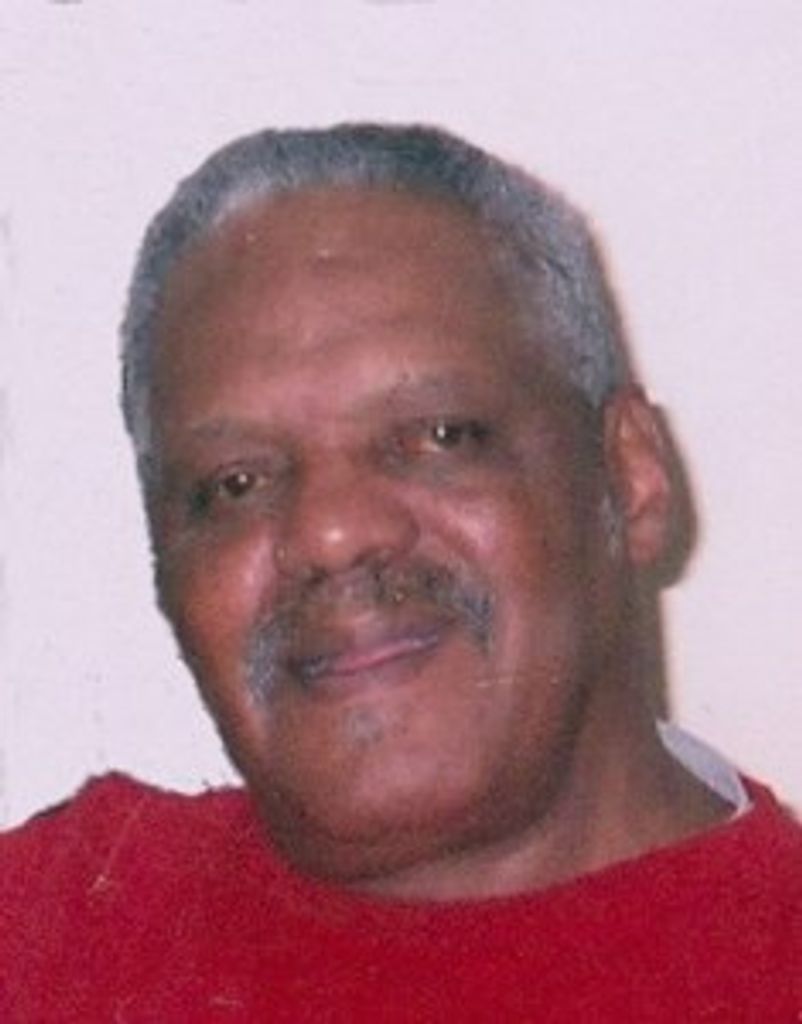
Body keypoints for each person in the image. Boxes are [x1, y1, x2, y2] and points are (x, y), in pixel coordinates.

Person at [1, 123, 799, 1021]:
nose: (331, 533)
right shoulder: (56, 934)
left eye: (440, 436)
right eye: (235, 484)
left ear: (630, 476)